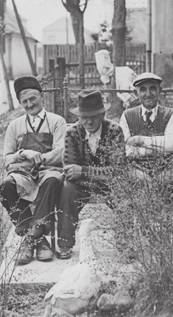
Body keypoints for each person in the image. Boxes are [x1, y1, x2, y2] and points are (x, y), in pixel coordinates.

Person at [0, 76, 66, 265]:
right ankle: (40, 240)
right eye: (24, 101)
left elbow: (61, 153)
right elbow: (6, 158)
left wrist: (40, 158)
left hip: (48, 171)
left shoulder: (56, 121)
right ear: (20, 103)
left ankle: (29, 240)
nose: (29, 104)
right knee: (6, 186)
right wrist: (23, 153)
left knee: (53, 180)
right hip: (23, 174)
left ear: (41, 97)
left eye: (32, 99)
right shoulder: (15, 126)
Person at [56, 90, 124, 259]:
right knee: (67, 190)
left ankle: (126, 244)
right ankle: (65, 244)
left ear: (103, 114)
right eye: (84, 116)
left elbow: (118, 170)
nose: (88, 121)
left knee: (124, 193)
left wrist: (84, 171)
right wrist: (94, 173)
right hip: (81, 184)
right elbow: (70, 169)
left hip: (110, 184)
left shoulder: (115, 131)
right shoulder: (72, 133)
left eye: (94, 116)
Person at [118, 73, 173, 176]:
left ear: (159, 91)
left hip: (165, 167)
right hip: (135, 167)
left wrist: (140, 140)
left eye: (152, 88)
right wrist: (147, 152)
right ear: (136, 93)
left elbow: (171, 145)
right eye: (142, 89)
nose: (148, 94)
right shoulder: (127, 115)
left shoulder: (171, 114)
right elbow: (124, 149)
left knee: (165, 180)